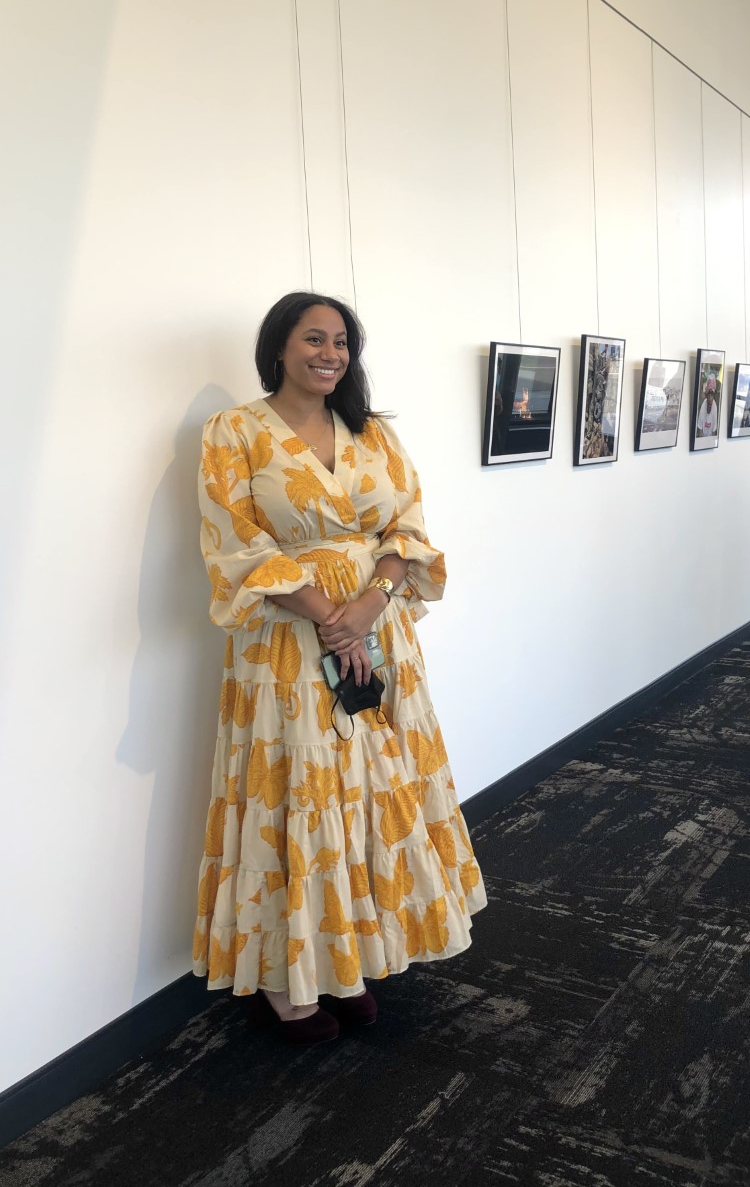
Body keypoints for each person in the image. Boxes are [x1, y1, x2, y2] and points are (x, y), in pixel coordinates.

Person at [192, 292, 487, 1043]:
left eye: (341, 342)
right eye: (313, 339)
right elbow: (235, 545)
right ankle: (290, 981)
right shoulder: (235, 432)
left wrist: (370, 605)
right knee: (303, 795)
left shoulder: (372, 433)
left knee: (372, 792)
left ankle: (347, 958)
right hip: (288, 643)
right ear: (279, 347)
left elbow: (406, 529)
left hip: (377, 632)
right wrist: (329, 616)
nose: (329, 353)